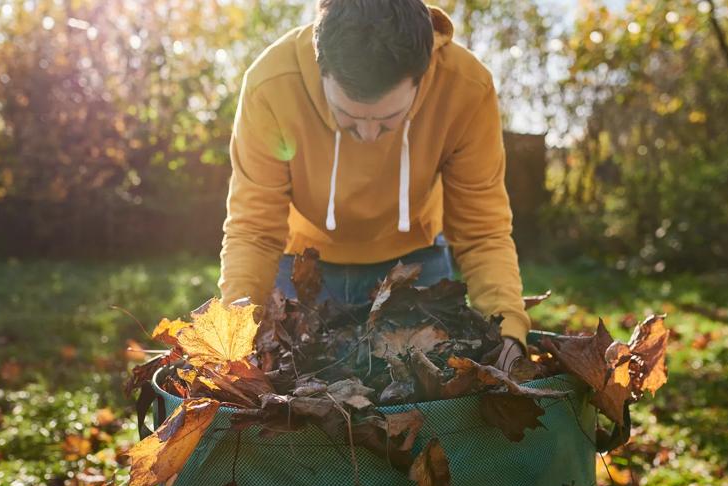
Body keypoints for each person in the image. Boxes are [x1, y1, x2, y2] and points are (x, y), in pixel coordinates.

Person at [218, 0, 531, 373]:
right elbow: (253, 229)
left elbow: (482, 231)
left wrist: (508, 331)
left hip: (416, 265)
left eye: (387, 121)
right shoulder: (270, 85)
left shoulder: (466, 87)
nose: (367, 135)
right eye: (348, 117)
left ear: (423, 74)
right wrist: (233, 337)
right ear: (322, 70)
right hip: (302, 267)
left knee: (425, 395)